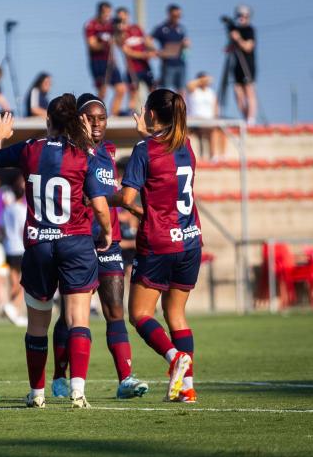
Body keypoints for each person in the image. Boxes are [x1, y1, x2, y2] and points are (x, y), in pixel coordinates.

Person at [0, 97, 114, 409]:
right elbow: (100, 206)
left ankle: (37, 393)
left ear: (48, 121)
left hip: (39, 243)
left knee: (37, 325)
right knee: (78, 318)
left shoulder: (30, 148)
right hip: (76, 243)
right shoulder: (85, 154)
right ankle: (78, 392)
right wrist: (108, 232)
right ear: (79, 122)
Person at [50, 93, 149, 400]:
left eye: (101, 117)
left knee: (115, 309)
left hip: (110, 239)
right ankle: (59, 376)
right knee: (72, 314)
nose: (95, 123)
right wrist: (127, 202)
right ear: (78, 119)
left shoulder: (107, 150)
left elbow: (110, 191)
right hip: (77, 238)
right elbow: (95, 197)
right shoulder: (69, 151)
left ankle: (125, 379)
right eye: (89, 117)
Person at [112, 88, 202, 403]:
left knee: (138, 314)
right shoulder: (187, 146)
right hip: (190, 239)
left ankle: (174, 357)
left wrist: (96, 195)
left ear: (150, 114)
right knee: (176, 314)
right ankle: (186, 388)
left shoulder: (143, 150)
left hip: (159, 242)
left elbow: (125, 198)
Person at [84, 1, 126, 116]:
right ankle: (96, 114)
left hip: (111, 62)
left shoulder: (111, 25)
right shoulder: (91, 25)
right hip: (98, 62)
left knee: (121, 89)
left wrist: (120, 29)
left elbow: (120, 42)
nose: (107, 16)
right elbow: (92, 45)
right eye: (105, 13)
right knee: (103, 91)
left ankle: (114, 113)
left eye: (109, 13)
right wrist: (105, 44)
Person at [113, 7, 156, 113]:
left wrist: (153, 50)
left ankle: (156, 110)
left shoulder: (136, 28)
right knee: (133, 93)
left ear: (127, 15)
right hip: (132, 68)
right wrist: (144, 54)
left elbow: (146, 41)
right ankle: (131, 112)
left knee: (153, 89)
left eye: (124, 15)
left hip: (145, 66)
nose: (122, 18)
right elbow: (127, 51)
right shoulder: (119, 33)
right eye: (119, 16)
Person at [2, 177, 28, 325]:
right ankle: (13, 306)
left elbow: (2, 227)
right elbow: (22, 229)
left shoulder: (7, 209)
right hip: (19, 246)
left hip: (8, 246)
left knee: (14, 281)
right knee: (24, 281)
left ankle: (15, 313)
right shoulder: (22, 209)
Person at [186, 72, 227, 161]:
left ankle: (220, 155)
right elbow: (189, 85)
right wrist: (202, 80)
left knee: (221, 129)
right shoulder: (194, 91)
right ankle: (213, 155)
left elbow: (216, 109)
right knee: (212, 129)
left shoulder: (211, 92)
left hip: (209, 121)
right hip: (195, 120)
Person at [151, 4, 189, 94]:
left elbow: (186, 42)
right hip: (168, 64)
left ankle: (180, 107)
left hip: (181, 63)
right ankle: (164, 108)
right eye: (175, 15)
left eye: (179, 16)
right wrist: (157, 51)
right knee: (166, 90)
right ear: (169, 14)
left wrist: (186, 44)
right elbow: (148, 40)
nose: (177, 18)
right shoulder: (162, 28)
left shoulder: (181, 28)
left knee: (181, 90)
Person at [228, 5, 257, 125]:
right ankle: (245, 116)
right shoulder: (235, 29)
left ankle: (251, 119)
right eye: (239, 16)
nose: (241, 18)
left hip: (247, 65)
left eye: (244, 16)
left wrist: (238, 38)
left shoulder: (249, 30)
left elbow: (248, 47)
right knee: (237, 91)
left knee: (249, 90)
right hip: (237, 66)